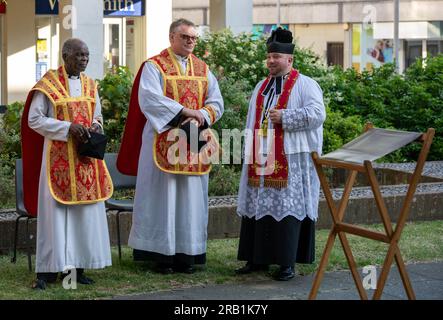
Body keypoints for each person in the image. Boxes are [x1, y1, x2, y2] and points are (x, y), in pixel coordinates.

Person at [117, 19, 224, 274]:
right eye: (185, 37)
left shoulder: (202, 68)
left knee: (190, 200)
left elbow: (217, 101)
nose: (191, 42)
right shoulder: (154, 66)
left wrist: (201, 115)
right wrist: (184, 111)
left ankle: (187, 255)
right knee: (162, 198)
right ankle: (160, 256)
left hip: (193, 143)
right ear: (172, 37)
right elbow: (150, 99)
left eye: (194, 38)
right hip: (162, 140)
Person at [21, 38, 113, 290]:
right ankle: (48, 270)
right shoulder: (48, 85)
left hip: (85, 161)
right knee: (56, 217)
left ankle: (77, 267)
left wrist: (96, 126)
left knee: (83, 216)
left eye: (86, 55)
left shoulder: (91, 85)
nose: (84, 59)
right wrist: (66, 128)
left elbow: (97, 114)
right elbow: (34, 120)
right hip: (58, 162)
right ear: (65, 56)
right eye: (79, 55)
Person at [236, 27, 326, 281]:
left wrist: (286, 117)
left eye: (277, 56)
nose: (271, 61)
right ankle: (256, 259)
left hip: (291, 159)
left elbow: (318, 115)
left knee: (287, 207)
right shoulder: (260, 86)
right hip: (261, 157)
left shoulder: (307, 84)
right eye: (269, 56)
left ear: (289, 59)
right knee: (258, 206)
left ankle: (287, 263)